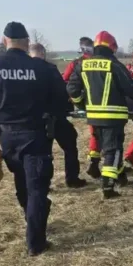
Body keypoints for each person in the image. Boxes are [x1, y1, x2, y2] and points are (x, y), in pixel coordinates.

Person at [0, 22, 70, 256]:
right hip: (36, 135)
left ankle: (31, 218)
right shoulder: (43, 69)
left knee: (22, 180)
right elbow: (63, 104)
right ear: (26, 43)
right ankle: (36, 242)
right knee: (37, 188)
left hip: (7, 137)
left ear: (5, 41)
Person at [66, 31, 133, 199]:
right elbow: (131, 88)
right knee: (114, 150)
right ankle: (108, 186)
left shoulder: (83, 65)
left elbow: (72, 88)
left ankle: (121, 176)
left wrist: (81, 103)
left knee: (105, 147)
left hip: (93, 116)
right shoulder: (114, 65)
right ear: (112, 47)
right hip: (113, 116)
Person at [30, 43, 87, 188]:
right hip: (55, 117)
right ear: (43, 53)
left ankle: (43, 184)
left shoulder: (24, 71)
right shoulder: (50, 69)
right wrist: (68, 109)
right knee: (70, 145)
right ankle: (72, 178)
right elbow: (62, 91)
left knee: (41, 152)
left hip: (34, 119)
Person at [62, 37, 102, 178]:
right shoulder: (98, 62)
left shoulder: (76, 63)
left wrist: (75, 98)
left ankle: (94, 161)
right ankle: (96, 162)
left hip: (87, 103)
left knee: (96, 132)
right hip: (99, 102)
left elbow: (65, 81)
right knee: (102, 133)